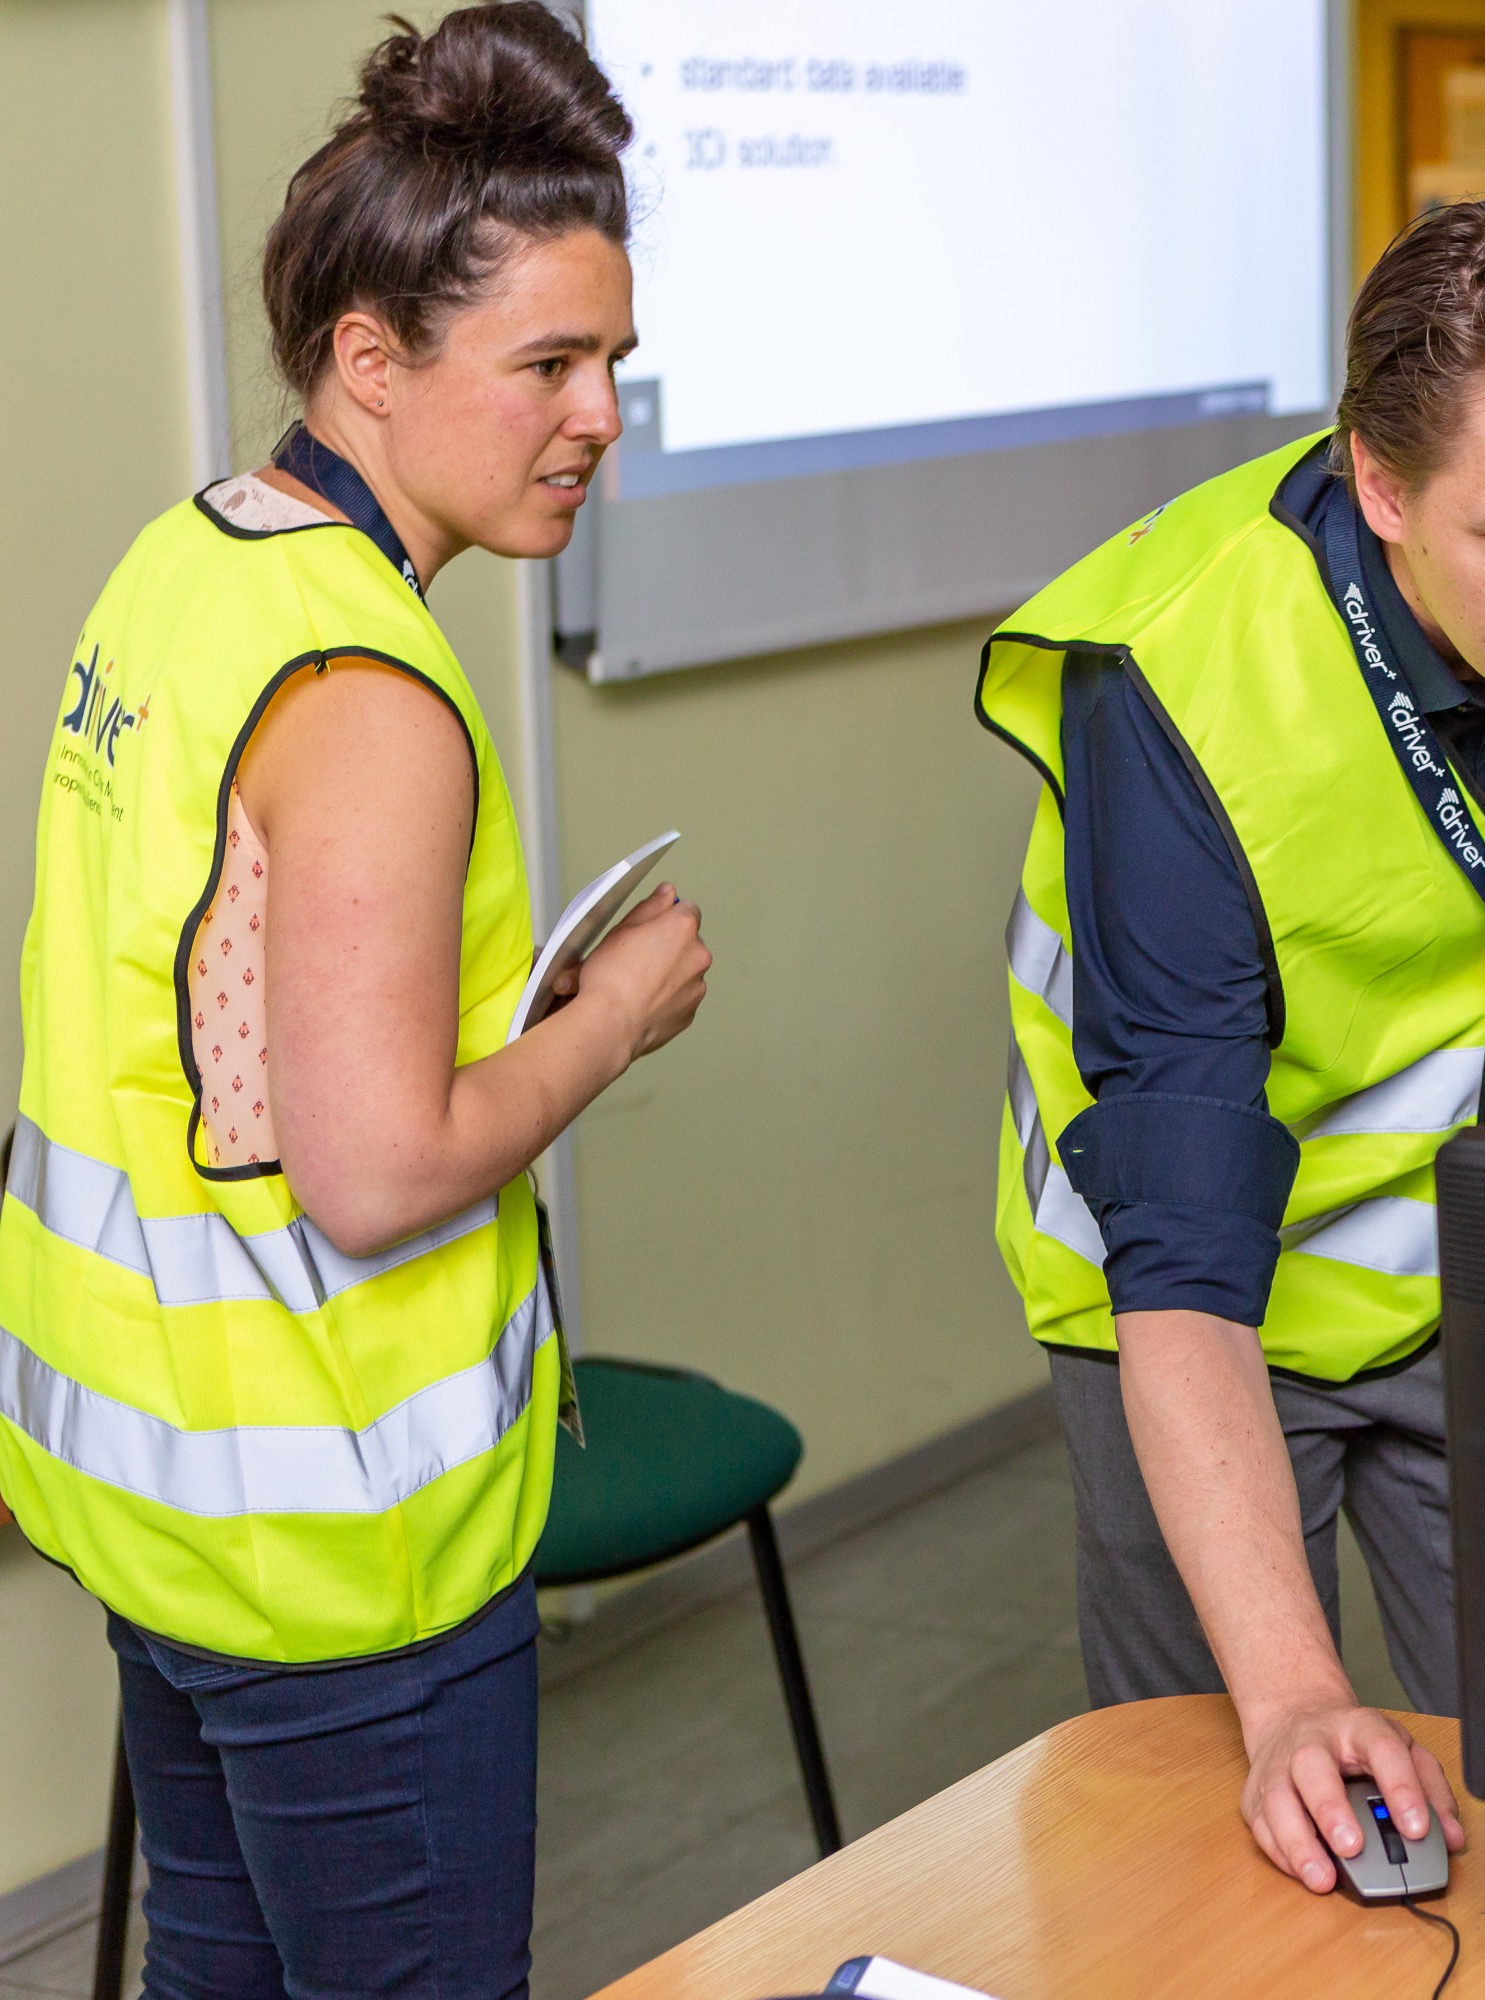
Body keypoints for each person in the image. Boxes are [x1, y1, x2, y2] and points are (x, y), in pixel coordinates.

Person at [0, 8, 709, 1995]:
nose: (597, 417)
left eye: (614, 362)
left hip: (162, 1509)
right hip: (343, 1557)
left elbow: (219, 1020)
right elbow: (376, 1172)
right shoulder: (373, 692)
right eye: (548, 365)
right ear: (371, 359)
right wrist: (610, 1019)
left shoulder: (189, 566)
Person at [975, 192, 1485, 1894]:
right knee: (1227, 1840)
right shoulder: (1178, 686)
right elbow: (1183, 1271)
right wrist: (1294, 1703)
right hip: (1196, 1313)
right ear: (1381, 487)